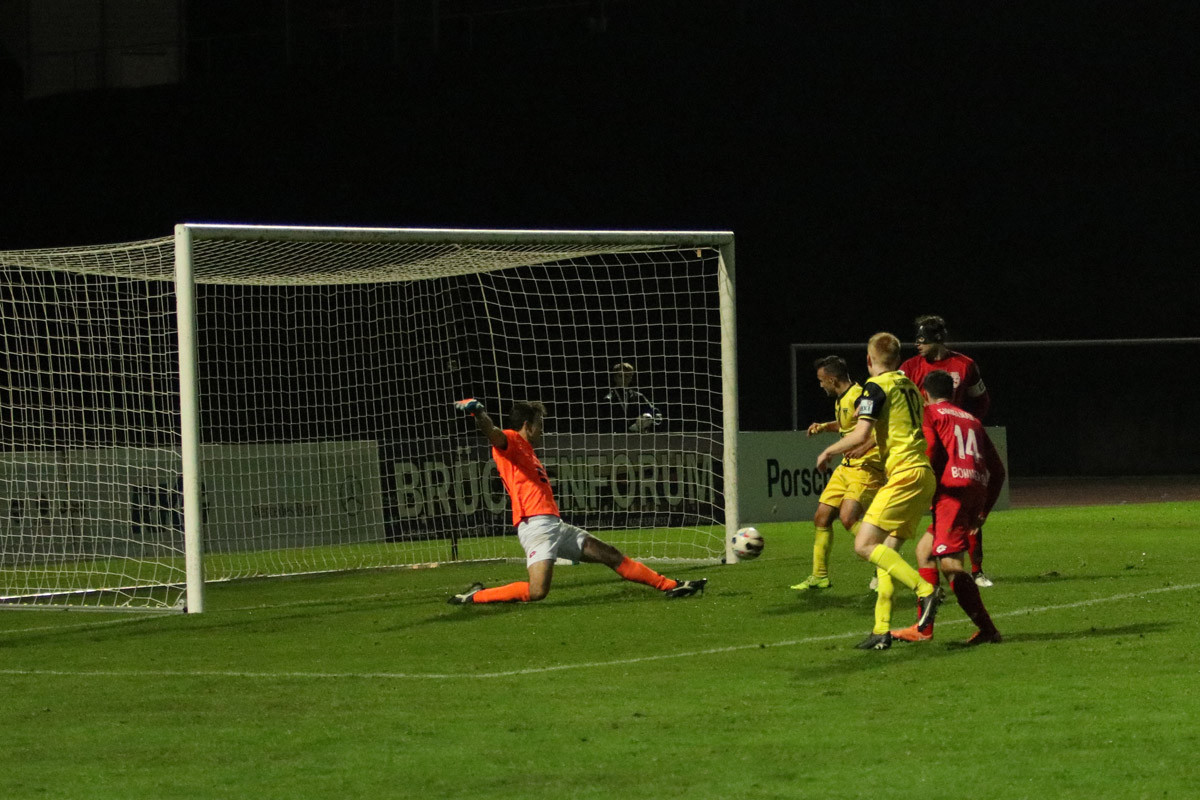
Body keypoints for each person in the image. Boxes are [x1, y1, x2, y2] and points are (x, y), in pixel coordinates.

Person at [447, 397, 706, 604]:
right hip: (536, 525)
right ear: (528, 425)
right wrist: (478, 413)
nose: (542, 429)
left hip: (554, 525)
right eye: (540, 423)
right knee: (537, 592)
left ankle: (671, 585)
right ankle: (476, 596)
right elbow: (492, 433)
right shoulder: (512, 441)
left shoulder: (528, 451)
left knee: (610, 554)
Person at [816, 333, 945, 650]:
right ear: (898, 359)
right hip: (923, 474)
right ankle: (881, 630)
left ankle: (925, 590)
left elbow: (861, 433)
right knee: (886, 553)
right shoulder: (909, 385)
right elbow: (894, 427)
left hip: (904, 474)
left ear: (869, 360)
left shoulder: (876, 386)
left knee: (863, 544)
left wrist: (829, 450)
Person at [891, 370, 1005, 645]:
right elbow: (998, 471)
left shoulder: (929, 413)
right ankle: (924, 628)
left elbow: (930, 449)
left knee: (951, 566)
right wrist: (983, 511)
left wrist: (916, 485)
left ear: (924, 393)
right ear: (953, 393)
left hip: (951, 494)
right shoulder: (972, 420)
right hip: (975, 491)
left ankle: (988, 630)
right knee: (925, 551)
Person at [899, 314, 995, 586]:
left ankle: (976, 570)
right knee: (907, 499)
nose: (917, 345)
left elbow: (981, 400)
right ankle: (884, 562)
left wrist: (967, 424)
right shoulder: (909, 367)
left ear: (938, 339)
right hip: (922, 443)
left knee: (964, 500)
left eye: (923, 340)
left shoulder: (965, 365)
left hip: (954, 444)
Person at [792, 355, 886, 592]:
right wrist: (825, 427)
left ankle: (883, 563)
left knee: (848, 518)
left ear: (832, 380)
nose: (820, 385)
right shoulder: (843, 398)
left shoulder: (860, 396)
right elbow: (847, 426)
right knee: (822, 517)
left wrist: (863, 447)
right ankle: (819, 576)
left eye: (821, 380)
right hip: (846, 466)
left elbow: (880, 427)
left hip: (866, 467)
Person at [603, 361, 663, 432]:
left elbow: (656, 413)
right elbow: (604, 424)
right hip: (616, 436)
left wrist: (647, 417)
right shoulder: (609, 399)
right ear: (615, 378)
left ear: (631, 378)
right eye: (620, 376)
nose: (623, 379)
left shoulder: (638, 397)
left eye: (626, 376)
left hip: (637, 435)